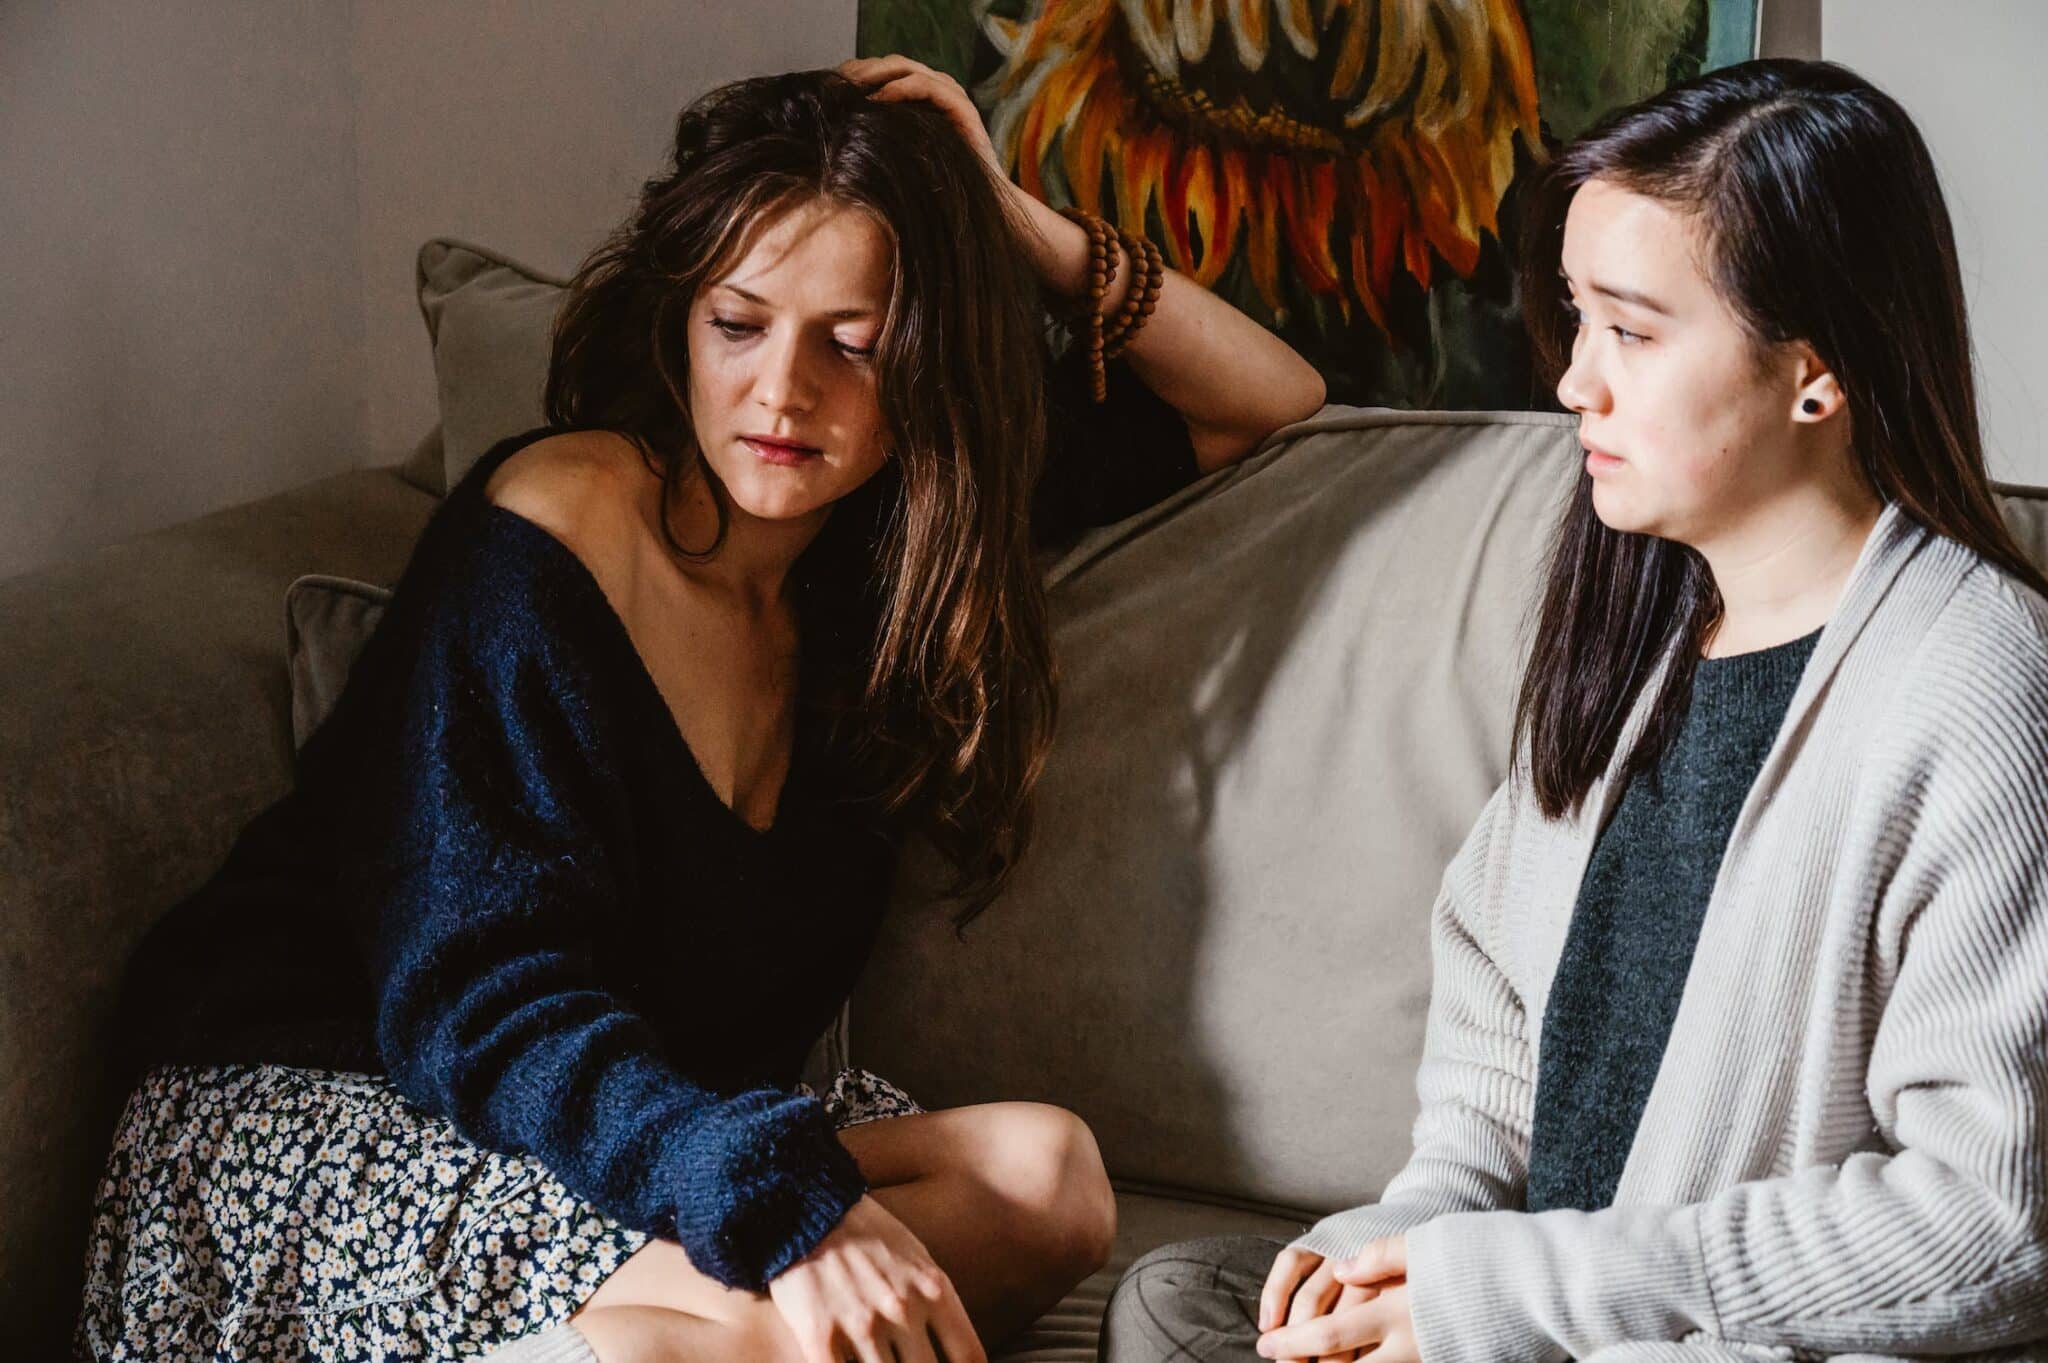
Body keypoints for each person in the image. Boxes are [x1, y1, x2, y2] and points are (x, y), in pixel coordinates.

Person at [73, 61, 1325, 1363]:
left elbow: (1264, 397)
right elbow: (475, 1006)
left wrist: (1004, 213)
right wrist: (784, 1208)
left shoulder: (890, 550)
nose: (785, 394)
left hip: (653, 1112)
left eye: (851, 343)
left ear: (925, 361)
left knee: (1047, 1177)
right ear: (681, 322)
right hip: (352, 1095)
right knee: (732, 1335)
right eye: (740, 324)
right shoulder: (560, 523)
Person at [1101, 57, 2048, 1363]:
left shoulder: (1981, 684)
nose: (1575, 384)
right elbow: (1485, 1119)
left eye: (1634, 332)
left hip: (1705, 1336)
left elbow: (1987, 1223)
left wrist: (1503, 1294)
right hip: (1536, 1318)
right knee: (1189, 1301)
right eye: (1575, 320)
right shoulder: (1639, 633)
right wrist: (1394, 1254)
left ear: (1814, 375)